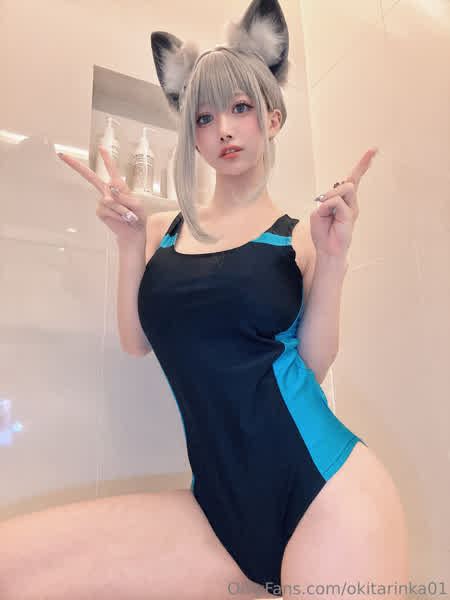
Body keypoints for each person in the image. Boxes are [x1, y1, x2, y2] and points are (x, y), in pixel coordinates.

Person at [0, 0, 409, 598]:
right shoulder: (159, 230)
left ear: (272, 118)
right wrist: (129, 244)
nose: (223, 128)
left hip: (327, 495)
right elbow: (137, 343)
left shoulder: (300, 236)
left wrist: (335, 260)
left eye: (240, 108)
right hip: (217, 508)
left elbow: (314, 366)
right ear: (191, 135)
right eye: (204, 116)